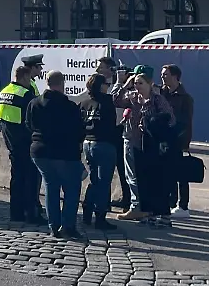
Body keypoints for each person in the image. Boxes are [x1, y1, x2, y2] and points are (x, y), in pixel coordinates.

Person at [27, 70, 86, 240]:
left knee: (51, 188)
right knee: (71, 190)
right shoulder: (69, 106)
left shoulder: (34, 103)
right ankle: (68, 226)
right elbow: (78, 131)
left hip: (39, 151)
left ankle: (53, 226)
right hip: (64, 153)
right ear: (62, 83)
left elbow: (28, 125)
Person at [114, 65, 174, 223]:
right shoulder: (132, 97)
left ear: (149, 84)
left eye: (140, 83)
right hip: (133, 140)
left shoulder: (157, 99)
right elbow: (115, 100)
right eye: (135, 83)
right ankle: (141, 209)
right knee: (135, 176)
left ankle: (152, 211)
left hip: (151, 144)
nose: (136, 86)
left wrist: (153, 124)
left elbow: (170, 119)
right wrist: (123, 84)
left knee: (152, 178)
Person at [0, 61, 44, 224]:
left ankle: (16, 213)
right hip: (25, 142)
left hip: (11, 143)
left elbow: (2, 120)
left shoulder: (4, 92)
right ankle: (32, 214)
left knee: (16, 179)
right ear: (24, 77)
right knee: (30, 179)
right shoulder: (25, 94)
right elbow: (33, 120)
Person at [79, 74, 119, 230]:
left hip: (88, 143)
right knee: (104, 182)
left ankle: (87, 210)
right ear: (101, 86)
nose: (108, 86)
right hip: (104, 144)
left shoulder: (84, 103)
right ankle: (100, 217)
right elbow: (111, 125)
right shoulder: (106, 102)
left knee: (94, 179)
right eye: (106, 84)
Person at [95, 56, 131, 210]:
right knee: (104, 169)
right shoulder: (99, 85)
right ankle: (104, 201)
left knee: (123, 169)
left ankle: (127, 200)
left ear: (111, 69)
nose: (97, 70)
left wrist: (121, 82)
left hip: (119, 130)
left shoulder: (122, 86)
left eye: (101, 67)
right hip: (106, 131)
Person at [160, 64, 194, 218]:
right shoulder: (162, 93)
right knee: (167, 173)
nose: (163, 77)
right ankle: (170, 202)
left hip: (177, 140)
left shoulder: (185, 98)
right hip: (162, 139)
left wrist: (184, 142)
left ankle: (183, 206)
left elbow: (186, 122)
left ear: (175, 77)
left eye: (165, 74)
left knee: (181, 173)